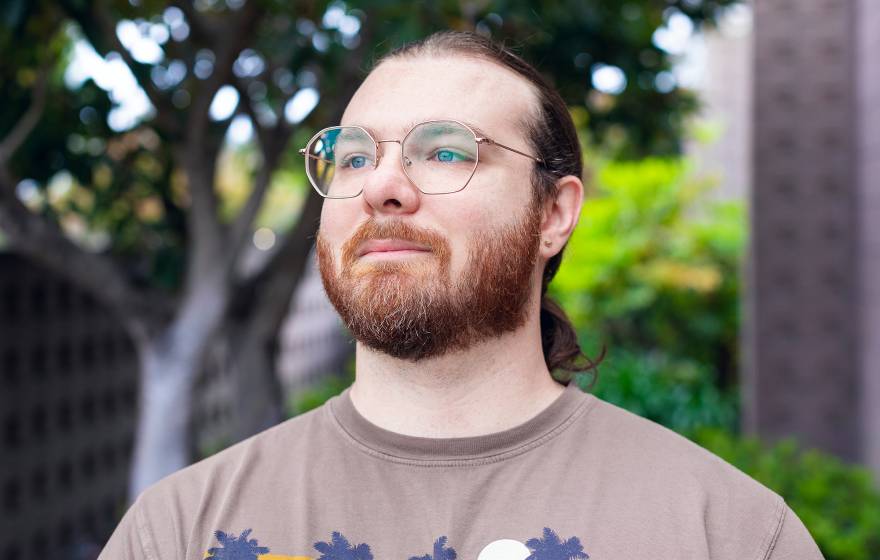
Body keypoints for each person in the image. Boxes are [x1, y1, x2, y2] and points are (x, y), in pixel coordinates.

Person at [99, 31, 825, 560]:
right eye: (353, 155)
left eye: (445, 151)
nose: (382, 185)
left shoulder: (727, 534)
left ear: (553, 214)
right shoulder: (179, 530)